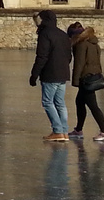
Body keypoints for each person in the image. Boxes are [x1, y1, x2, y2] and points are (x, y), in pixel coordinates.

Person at [29, 10, 72, 141]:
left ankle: (58, 130)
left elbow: (42, 56)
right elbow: (69, 56)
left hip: (50, 73)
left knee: (48, 102)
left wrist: (34, 74)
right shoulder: (62, 34)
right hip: (63, 73)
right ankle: (64, 131)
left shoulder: (45, 34)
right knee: (60, 103)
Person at [67, 21, 104, 141]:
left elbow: (79, 63)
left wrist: (75, 81)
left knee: (93, 105)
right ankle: (78, 129)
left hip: (85, 78)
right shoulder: (93, 43)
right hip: (93, 75)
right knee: (79, 102)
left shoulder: (81, 44)